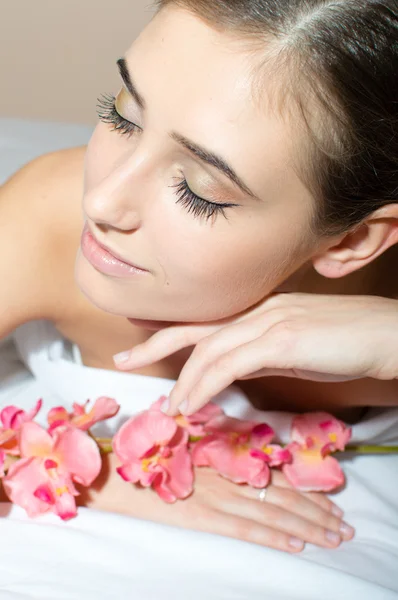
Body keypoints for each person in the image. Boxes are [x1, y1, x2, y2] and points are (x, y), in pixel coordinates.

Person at [0, 0, 397, 563]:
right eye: (122, 115)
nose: (102, 200)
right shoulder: (49, 220)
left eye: (199, 191)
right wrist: (100, 474)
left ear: (352, 241)